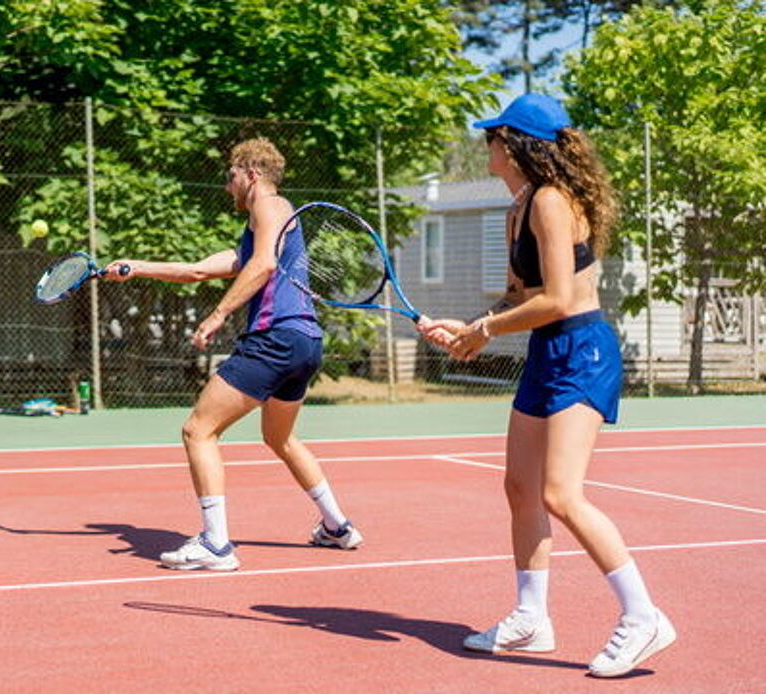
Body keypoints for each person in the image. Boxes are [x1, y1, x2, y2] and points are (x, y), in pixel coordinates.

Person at [417, 94, 675, 678]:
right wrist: (468, 328)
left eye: (492, 136)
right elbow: (523, 298)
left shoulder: (553, 202)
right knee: (520, 487)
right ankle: (532, 617)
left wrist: (485, 330)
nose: (486, 145)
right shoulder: (520, 207)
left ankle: (644, 615)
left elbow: (559, 299)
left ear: (513, 146)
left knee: (561, 494)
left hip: (582, 350)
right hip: (547, 352)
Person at [104, 137, 362, 572]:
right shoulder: (261, 232)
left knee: (198, 430)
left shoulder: (271, 206)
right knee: (279, 438)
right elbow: (197, 270)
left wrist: (218, 314)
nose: (227, 187)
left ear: (251, 175)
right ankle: (338, 526)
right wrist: (137, 267)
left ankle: (216, 544)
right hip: (304, 342)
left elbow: (263, 266)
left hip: (275, 339)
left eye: (231, 176)